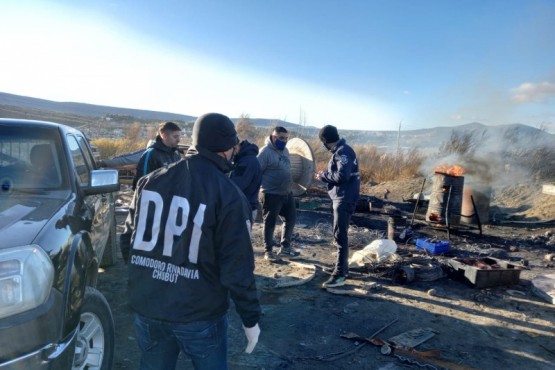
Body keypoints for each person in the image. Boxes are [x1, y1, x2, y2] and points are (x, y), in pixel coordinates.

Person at [125, 113, 261, 370]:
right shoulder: (229, 195)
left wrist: (144, 281)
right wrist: (250, 319)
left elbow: (128, 240)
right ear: (227, 148)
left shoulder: (150, 182)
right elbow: (238, 266)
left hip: (149, 306)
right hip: (199, 314)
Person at [315, 125, 360, 288]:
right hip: (344, 196)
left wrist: (323, 176)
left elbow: (342, 175)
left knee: (340, 236)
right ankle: (342, 268)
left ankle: (340, 274)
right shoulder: (344, 150)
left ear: (325, 141)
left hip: (344, 197)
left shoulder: (342, 151)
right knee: (340, 235)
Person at [257, 126, 299, 261]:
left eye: (286, 138)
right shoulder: (265, 152)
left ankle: (285, 248)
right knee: (270, 222)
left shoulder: (285, 151)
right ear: (273, 137)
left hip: (286, 193)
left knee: (290, 219)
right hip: (270, 193)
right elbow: (256, 172)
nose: (285, 140)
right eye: (281, 138)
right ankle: (268, 251)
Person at [132, 121, 182, 190]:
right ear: (164, 136)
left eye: (179, 136)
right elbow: (142, 180)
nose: (179, 140)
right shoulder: (151, 153)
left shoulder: (176, 153)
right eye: (175, 137)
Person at [230, 139, 263, 222]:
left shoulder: (246, 162)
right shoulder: (248, 159)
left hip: (244, 209)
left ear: (236, 146)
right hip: (247, 206)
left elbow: (236, 186)